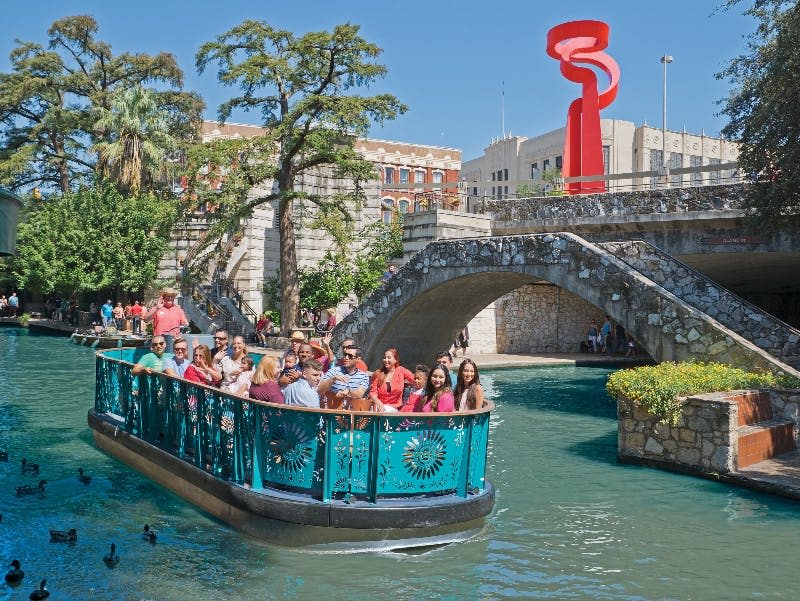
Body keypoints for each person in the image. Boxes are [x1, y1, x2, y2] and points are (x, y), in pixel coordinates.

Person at [144, 288, 188, 353]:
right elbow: (146, 319)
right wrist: (157, 308)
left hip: (173, 344)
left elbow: (186, 324)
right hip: (159, 344)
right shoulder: (157, 308)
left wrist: (184, 325)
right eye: (168, 296)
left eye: (172, 296)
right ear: (163, 298)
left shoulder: (179, 310)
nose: (170, 298)